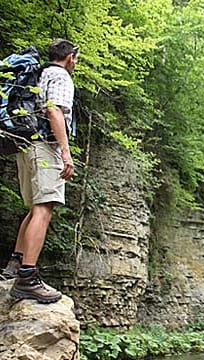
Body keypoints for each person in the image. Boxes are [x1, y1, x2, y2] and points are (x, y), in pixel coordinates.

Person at [0, 39, 78, 303]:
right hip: (45, 147)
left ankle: (14, 266)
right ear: (70, 57)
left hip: (26, 144)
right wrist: (65, 152)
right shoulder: (60, 76)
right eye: (75, 58)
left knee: (35, 208)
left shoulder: (41, 73)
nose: (75, 63)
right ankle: (27, 278)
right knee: (44, 208)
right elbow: (53, 111)